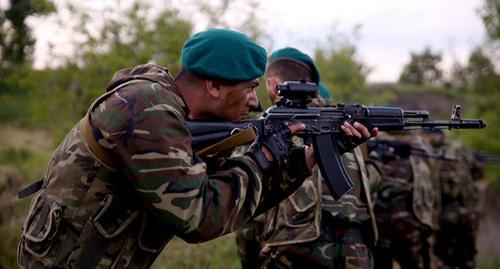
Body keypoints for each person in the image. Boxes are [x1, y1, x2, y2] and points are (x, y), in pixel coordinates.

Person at [17, 29, 324, 268]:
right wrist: (263, 158)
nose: (255, 102)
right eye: (249, 88)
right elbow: (199, 217)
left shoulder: (175, 114)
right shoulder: (149, 109)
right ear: (214, 86)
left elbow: (232, 200)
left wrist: (301, 162)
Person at [235, 47, 378, 269]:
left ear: (273, 84)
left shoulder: (266, 132)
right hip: (355, 254)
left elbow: (247, 213)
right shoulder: (348, 128)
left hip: (290, 253)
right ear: (312, 85)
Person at [366, 131, 438, 269]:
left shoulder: (370, 146)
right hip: (409, 223)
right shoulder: (418, 148)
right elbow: (431, 191)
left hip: (377, 225)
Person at [421, 129, 482, 269]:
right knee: (466, 259)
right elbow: (478, 172)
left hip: (441, 216)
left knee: (443, 259)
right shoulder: (460, 149)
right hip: (464, 214)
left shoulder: (424, 153)